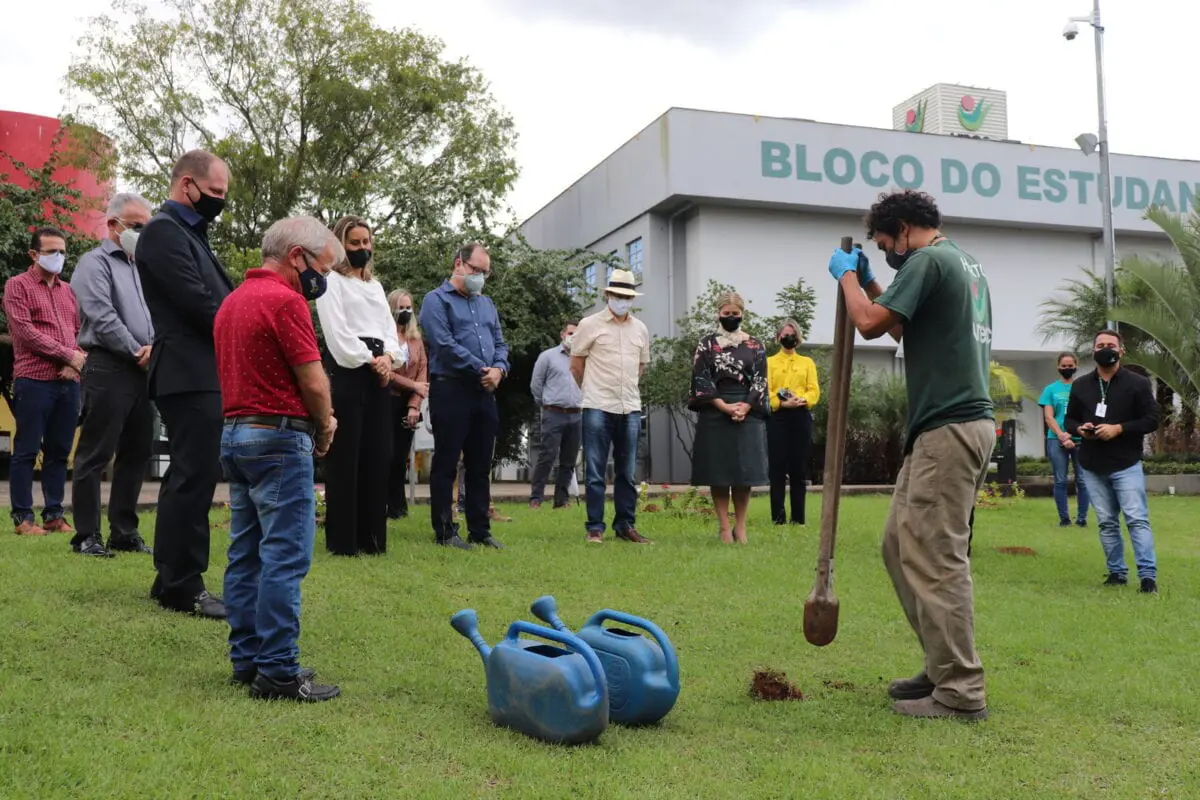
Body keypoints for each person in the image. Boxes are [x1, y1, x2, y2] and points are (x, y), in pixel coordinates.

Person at [828, 189, 995, 721]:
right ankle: (941, 663)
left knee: (936, 557)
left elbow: (871, 324)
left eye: (884, 246)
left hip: (949, 427)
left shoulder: (928, 258)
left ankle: (960, 691)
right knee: (898, 544)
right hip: (949, 427)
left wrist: (847, 278)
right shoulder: (960, 262)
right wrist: (872, 282)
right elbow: (900, 322)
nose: (886, 255)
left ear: (903, 228)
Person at [214, 215, 342, 702]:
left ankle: (246, 660)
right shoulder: (286, 302)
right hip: (279, 439)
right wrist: (326, 425)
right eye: (321, 268)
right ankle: (279, 671)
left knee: (245, 554)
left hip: (235, 436)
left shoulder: (232, 302)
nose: (322, 279)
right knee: (285, 557)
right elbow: (312, 380)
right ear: (296, 257)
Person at [136, 149, 234, 619]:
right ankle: (182, 583)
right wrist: (245, 327)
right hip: (187, 372)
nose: (219, 201)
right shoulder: (162, 232)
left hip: (201, 371)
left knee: (191, 475)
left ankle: (170, 578)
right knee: (192, 477)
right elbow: (199, 304)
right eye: (214, 192)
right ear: (186, 184)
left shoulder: (191, 234)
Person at [69, 192, 157, 558]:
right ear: (113, 225)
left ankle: (124, 530)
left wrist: (155, 348)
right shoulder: (94, 263)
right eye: (136, 226)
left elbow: (156, 315)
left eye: (145, 228)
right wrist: (138, 350)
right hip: (109, 365)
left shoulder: (143, 267)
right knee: (95, 453)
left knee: (137, 452)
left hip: (145, 369)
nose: (141, 233)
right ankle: (87, 535)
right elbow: (102, 316)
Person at [315, 215, 406, 556]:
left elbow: (389, 331)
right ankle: (344, 541)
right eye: (355, 243)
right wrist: (372, 358)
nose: (362, 248)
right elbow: (337, 336)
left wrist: (388, 360)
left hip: (378, 375)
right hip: (348, 372)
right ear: (341, 245)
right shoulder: (329, 282)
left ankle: (372, 538)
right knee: (345, 455)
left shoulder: (376, 287)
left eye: (366, 242)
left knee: (378, 455)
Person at [420, 242, 509, 550]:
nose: (479, 277)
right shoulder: (435, 300)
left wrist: (498, 369)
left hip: (484, 391)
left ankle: (480, 529)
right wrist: (482, 369)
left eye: (485, 273)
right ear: (458, 264)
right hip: (451, 388)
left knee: (480, 463)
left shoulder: (486, 304)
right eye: (475, 270)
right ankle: (445, 529)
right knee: (446, 462)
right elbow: (443, 344)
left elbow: (500, 343)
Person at [2, 226, 84, 536]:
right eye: (52, 252)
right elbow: (24, 332)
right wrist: (67, 355)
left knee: (60, 451)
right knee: (26, 449)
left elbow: (80, 331)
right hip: (33, 380)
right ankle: (23, 518)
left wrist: (74, 362)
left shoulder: (68, 291)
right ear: (34, 254)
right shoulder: (17, 286)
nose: (59, 257)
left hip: (68, 382)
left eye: (62, 251)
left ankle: (54, 514)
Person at [1065, 329, 1160, 594]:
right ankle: (1117, 572)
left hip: (1126, 463)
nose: (1105, 348)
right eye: (1100, 345)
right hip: (1093, 464)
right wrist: (1079, 429)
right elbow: (1068, 421)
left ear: (1120, 351)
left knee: (1136, 519)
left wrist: (1120, 428)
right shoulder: (1081, 385)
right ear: (1093, 350)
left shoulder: (1138, 383)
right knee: (1106, 522)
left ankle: (1147, 577)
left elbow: (1152, 419)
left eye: (1110, 345)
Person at [570, 268, 652, 545]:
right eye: (617, 294)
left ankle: (625, 524)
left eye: (627, 296)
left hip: (629, 406)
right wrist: (591, 388)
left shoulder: (640, 328)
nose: (622, 300)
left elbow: (641, 367)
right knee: (595, 470)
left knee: (627, 471)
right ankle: (595, 527)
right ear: (607, 295)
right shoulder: (590, 324)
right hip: (597, 404)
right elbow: (576, 363)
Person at [687, 292, 769, 543]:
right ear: (719, 313)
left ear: (742, 314)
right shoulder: (706, 343)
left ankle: (741, 527)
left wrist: (745, 406)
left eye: (735, 313)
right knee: (719, 472)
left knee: (744, 473)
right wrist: (723, 406)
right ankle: (724, 527)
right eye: (726, 313)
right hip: (715, 409)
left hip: (748, 410)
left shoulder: (755, 344)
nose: (731, 317)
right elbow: (700, 378)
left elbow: (761, 379)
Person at [765, 319, 820, 526]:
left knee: (798, 469)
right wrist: (781, 403)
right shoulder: (768, 362)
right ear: (778, 337)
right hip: (777, 417)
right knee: (777, 469)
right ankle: (777, 518)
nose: (789, 337)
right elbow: (766, 390)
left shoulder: (807, 362)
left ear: (798, 337)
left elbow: (813, 389)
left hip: (800, 415)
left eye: (793, 334)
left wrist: (803, 400)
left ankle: (798, 518)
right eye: (785, 334)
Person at [529, 319, 583, 509]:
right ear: (562, 334)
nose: (573, 337)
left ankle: (561, 500)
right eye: (570, 333)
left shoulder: (583, 358)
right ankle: (536, 498)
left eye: (577, 334)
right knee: (547, 456)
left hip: (577, 414)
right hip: (553, 413)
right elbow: (536, 385)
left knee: (569, 460)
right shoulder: (548, 357)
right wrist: (544, 404)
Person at [385, 288, 428, 520]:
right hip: (386, 401)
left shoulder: (416, 340)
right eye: (401, 307)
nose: (405, 311)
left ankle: (398, 508)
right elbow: (387, 372)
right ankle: (382, 503)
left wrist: (414, 405)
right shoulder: (385, 337)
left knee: (401, 457)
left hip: (407, 405)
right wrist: (413, 387)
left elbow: (422, 373)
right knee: (387, 455)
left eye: (408, 307)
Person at [1038, 351, 1089, 528]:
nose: (1068, 368)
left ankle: (1082, 518)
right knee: (1060, 480)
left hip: (1081, 438)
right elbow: (1049, 417)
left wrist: (1077, 432)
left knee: (1082, 479)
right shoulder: (1050, 389)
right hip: (1056, 438)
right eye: (1064, 366)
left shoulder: (1083, 387)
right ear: (1058, 367)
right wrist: (1061, 435)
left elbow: (1087, 414)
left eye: (1070, 366)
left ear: (1076, 367)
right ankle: (1064, 518)